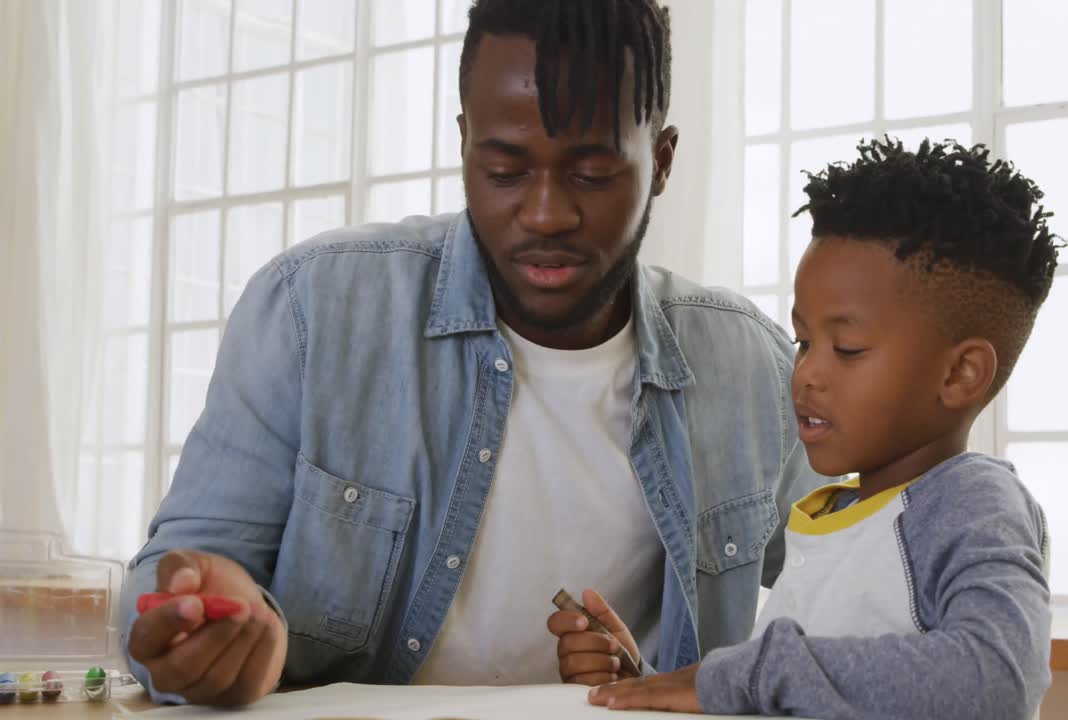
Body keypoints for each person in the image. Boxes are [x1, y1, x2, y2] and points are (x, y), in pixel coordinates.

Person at [120, 0, 821, 707]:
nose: (546, 213)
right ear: (465, 145)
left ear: (661, 161)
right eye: (506, 170)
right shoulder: (312, 310)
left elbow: (865, 600)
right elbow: (172, 579)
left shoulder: (751, 370)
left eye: (592, 173)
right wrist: (203, 627)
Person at [562, 138, 1059, 719]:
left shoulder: (970, 504)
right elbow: (803, 696)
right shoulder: (840, 511)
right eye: (803, 341)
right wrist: (652, 684)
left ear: (960, 373)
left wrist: (743, 675)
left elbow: (996, 678)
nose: (806, 374)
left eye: (847, 349)